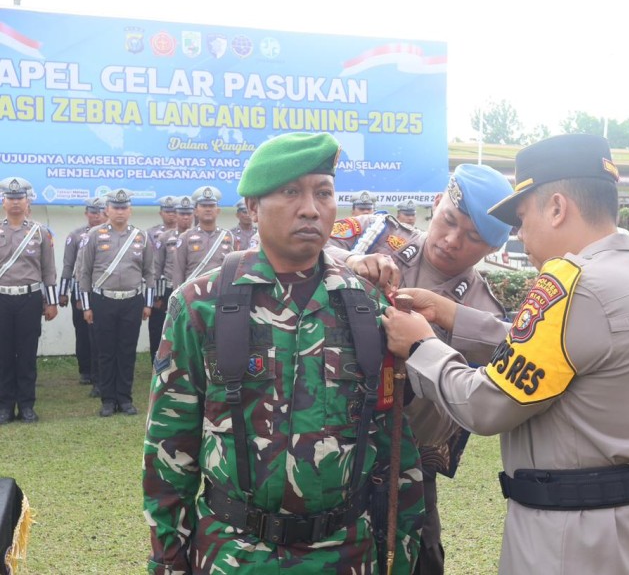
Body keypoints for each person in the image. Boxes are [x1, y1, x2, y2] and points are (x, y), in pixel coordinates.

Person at [383, 134, 629, 574]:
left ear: (557, 208)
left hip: (579, 539)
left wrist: (420, 345)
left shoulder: (571, 283)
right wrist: (457, 316)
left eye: (523, 217)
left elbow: (485, 405)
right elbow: (566, 348)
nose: (521, 235)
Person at [142, 131, 424, 574]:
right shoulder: (200, 305)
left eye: (324, 192)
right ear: (253, 207)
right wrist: (168, 563)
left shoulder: (368, 308)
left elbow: (395, 450)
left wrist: (403, 555)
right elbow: (168, 452)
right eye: (291, 191)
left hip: (347, 556)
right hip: (234, 557)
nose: (311, 208)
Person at [328, 163, 514, 575]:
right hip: (326, 438)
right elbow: (293, 245)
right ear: (436, 202)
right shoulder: (373, 233)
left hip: (405, 457)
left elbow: (512, 351)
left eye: (473, 238)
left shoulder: (480, 308)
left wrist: (447, 323)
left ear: (491, 250)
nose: (451, 241)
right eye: (449, 220)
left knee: (421, 557)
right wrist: (352, 262)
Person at [76, 189, 154, 417]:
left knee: (127, 351)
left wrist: (147, 303)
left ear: (129, 210)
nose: (120, 212)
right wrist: (87, 306)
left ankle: (125, 398)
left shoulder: (141, 236)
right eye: (115, 207)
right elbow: (84, 273)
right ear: (107, 210)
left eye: (124, 207)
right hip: (103, 301)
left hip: (132, 301)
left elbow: (149, 272)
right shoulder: (94, 235)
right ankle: (108, 400)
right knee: (106, 352)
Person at [0, 177, 58, 425]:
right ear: (3, 202)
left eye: (19, 198)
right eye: (11, 198)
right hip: (2, 298)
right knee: (3, 355)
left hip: (30, 299)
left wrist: (52, 302)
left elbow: (48, 269)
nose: (15, 203)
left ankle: (26, 406)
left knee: (26, 354)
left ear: (27, 201)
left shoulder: (40, 232)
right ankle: (4, 406)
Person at [59, 197, 106, 385]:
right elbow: (69, 266)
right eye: (93, 212)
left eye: (100, 211)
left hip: (102, 292)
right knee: (83, 333)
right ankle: (85, 370)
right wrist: (64, 293)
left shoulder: (111, 235)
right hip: (80, 292)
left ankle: (100, 371)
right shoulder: (76, 235)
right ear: (86, 213)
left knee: (100, 334)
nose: (96, 215)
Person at [149, 195, 195, 362]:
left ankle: (184, 360)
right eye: (182, 213)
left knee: (187, 328)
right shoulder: (165, 238)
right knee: (160, 328)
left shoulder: (197, 236)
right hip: (168, 290)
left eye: (189, 213)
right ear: (176, 214)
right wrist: (157, 296)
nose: (185, 217)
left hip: (191, 290)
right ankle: (157, 361)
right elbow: (156, 268)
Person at [170, 186, 235, 289]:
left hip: (220, 292)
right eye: (204, 205)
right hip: (193, 295)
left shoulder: (228, 236)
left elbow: (233, 269)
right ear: (196, 211)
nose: (208, 209)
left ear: (218, 210)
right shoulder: (185, 238)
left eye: (211, 206)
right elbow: (178, 272)